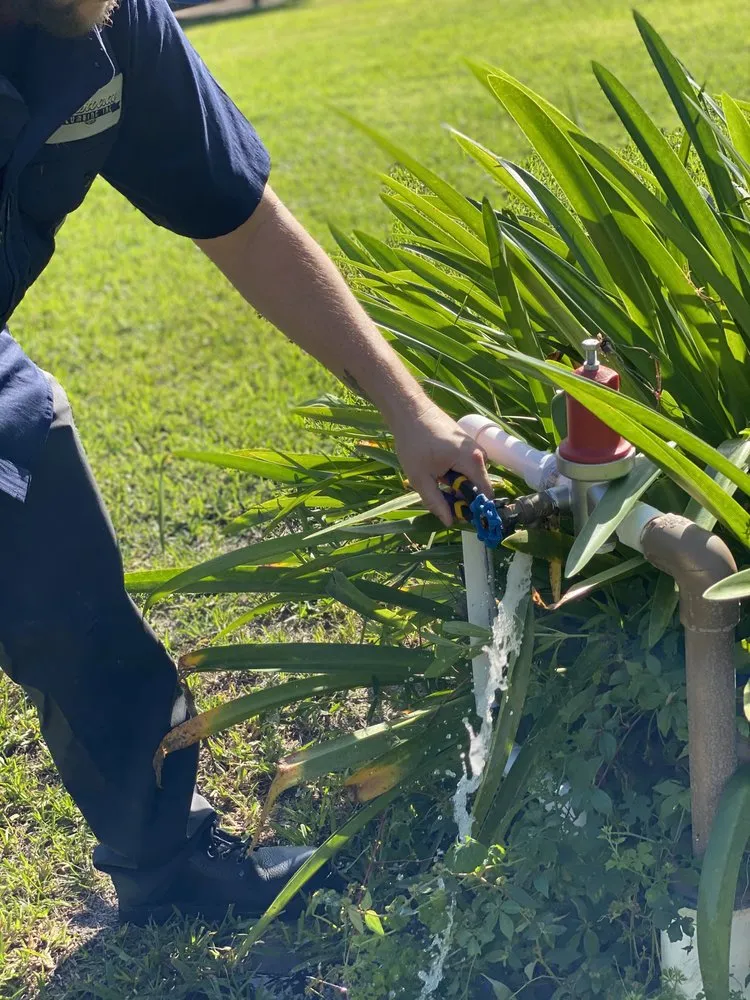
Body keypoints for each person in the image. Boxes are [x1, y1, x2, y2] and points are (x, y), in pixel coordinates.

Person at [0, 0, 492, 925]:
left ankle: (166, 860)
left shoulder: (107, 26)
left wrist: (407, 409)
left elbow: (240, 219)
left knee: (54, 547)